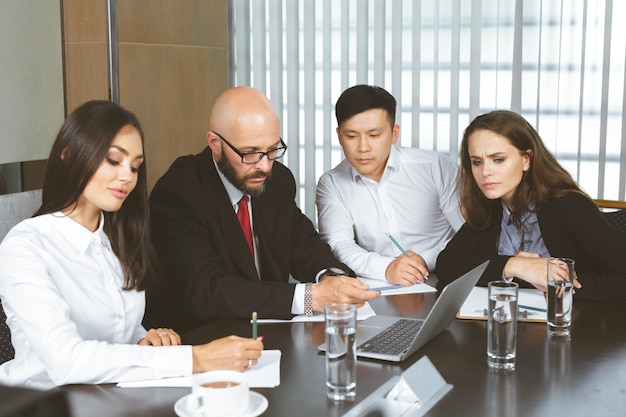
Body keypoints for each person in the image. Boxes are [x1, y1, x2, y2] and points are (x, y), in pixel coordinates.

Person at [0, 100, 263, 390]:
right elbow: (66, 360)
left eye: (135, 167)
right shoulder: (25, 246)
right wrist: (196, 357)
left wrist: (143, 338)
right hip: (44, 404)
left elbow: (115, 331)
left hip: (110, 398)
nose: (127, 176)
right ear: (69, 154)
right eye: (114, 160)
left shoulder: (118, 239)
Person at [145, 86, 379, 332]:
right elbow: (206, 291)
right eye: (250, 154)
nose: (265, 166)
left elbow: (303, 244)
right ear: (215, 143)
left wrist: (330, 277)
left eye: (271, 150)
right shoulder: (180, 191)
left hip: (266, 334)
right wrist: (310, 297)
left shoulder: (277, 181)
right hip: (202, 339)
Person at [436, 110, 626, 302]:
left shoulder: (569, 205)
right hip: (505, 322)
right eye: (477, 162)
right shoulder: (491, 208)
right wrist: (515, 266)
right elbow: (447, 264)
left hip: (572, 326)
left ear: (526, 159)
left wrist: (558, 286)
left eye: (498, 159)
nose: (485, 171)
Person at [316, 85, 464, 286]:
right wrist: (386, 268)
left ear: (394, 133)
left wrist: (425, 259)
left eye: (374, 135)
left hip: (446, 279)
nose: (363, 148)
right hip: (380, 286)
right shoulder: (331, 183)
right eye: (351, 136)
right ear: (339, 135)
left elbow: (466, 234)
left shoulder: (436, 167)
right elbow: (338, 244)